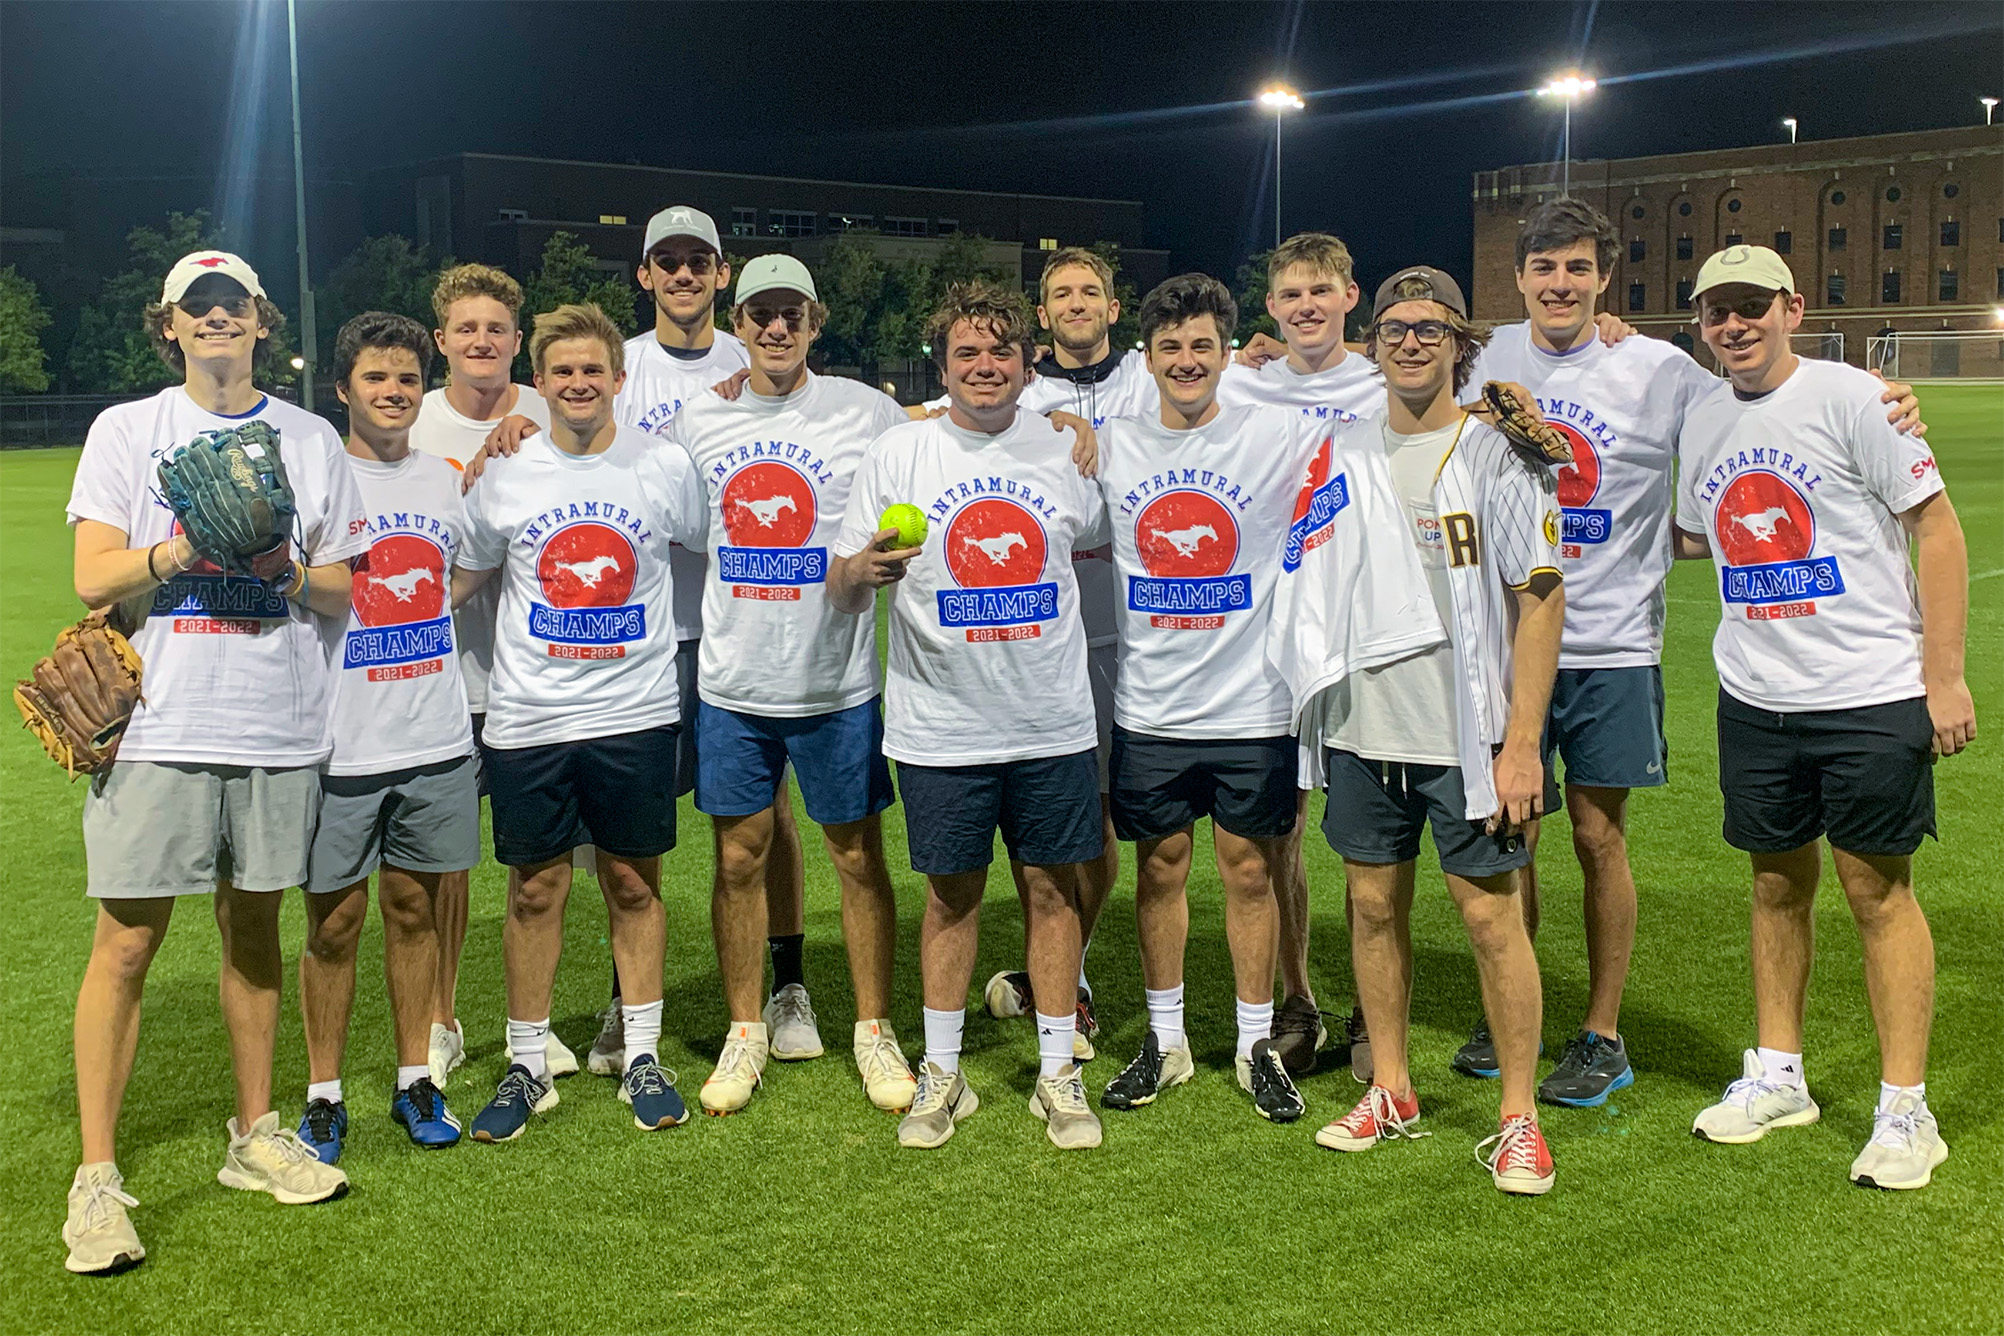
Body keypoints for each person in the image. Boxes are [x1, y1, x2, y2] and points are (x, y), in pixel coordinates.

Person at [1457, 201, 1929, 1105]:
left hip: (1614, 644)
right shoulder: (1486, 359)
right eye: (1544, 268)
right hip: (1503, 638)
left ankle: (1601, 1031)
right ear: (1517, 279)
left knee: (1599, 835)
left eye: (1579, 268)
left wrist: (1883, 402)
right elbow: (1384, 386)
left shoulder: (1663, 369)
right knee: (1506, 830)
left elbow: (1765, 413)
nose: (1561, 283)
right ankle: (1505, 1006)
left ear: (1605, 280)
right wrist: (1263, 361)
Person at [62, 250, 365, 1273]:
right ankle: (97, 1179)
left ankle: (253, 1133)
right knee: (128, 945)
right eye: (199, 310)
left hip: (275, 720)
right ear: (171, 327)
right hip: (159, 722)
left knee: (255, 933)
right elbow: (92, 573)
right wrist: (183, 551)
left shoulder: (311, 439)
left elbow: (343, 590)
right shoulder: (129, 430)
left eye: (233, 307)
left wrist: (282, 571)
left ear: (261, 322)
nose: (217, 321)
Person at [485, 206, 815, 1075]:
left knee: (762, 814)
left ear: (721, 272)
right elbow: (544, 426)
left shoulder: (761, 356)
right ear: (644, 274)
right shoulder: (611, 361)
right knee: (628, 843)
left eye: (697, 261)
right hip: (629, 645)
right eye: (665, 261)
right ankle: (627, 1012)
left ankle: (787, 985)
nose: (682, 274)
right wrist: (513, 422)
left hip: (731, 625)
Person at [1675, 245, 1971, 1191]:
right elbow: (1696, 534)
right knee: (1773, 885)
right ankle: (1779, 1076)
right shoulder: (1705, 414)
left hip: (1870, 691)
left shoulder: (1855, 396)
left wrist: (1945, 678)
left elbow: (1937, 526)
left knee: (1877, 892)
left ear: (1793, 308)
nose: (1735, 325)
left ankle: (1905, 1108)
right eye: (1718, 310)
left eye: (1752, 306)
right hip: (1756, 695)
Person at [1304, 266, 1566, 1197]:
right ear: (1371, 342)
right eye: (1393, 327)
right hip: (1364, 729)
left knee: (1491, 919)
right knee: (1372, 909)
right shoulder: (1338, 451)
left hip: (1473, 736)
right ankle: (1393, 1088)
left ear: (1461, 343)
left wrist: (1523, 741)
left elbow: (1539, 600)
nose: (1410, 342)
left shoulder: (1500, 455)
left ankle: (1519, 1117)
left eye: (1430, 328)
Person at [829, 281, 1103, 1151]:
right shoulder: (899, 452)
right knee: (951, 897)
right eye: (966, 355)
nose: (984, 368)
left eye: (1000, 353)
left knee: (1053, 890)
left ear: (1029, 364)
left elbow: (1091, 546)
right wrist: (862, 573)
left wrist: (1082, 431)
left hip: (1050, 717)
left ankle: (1056, 1072)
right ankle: (943, 1073)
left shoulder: (1066, 450)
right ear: (941, 366)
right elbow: (838, 577)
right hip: (941, 722)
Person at [663, 254, 916, 1115]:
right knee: (738, 858)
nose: (775, 328)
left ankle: (874, 1030)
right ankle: (745, 1031)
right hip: (733, 683)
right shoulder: (698, 419)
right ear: (737, 326)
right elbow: (616, 467)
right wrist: (513, 426)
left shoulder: (865, 409)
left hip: (836, 682)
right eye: (760, 314)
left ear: (815, 321)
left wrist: (1066, 424)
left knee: (857, 857)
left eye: (791, 314)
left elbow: (947, 423)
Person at [454, 303, 708, 1142]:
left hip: (634, 713)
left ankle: (641, 1053)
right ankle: (528, 1064)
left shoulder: (663, 466)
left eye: (592, 370)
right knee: (534, 890)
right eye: (561, 372)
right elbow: (459, 578)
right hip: (529, 717)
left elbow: (722, 555)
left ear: (618, 378)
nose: (577, 384)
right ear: (542, 381)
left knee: (633, 885)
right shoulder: (509, 472)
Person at [1091, 273, 1339, 1123]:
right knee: (1159, 872)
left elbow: (1379, 401)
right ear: (1148, 358)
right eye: (1171, 348)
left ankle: (1254, 1043)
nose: (1187, 361)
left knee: (1248, 872)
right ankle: (1166, 1042)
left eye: (1203, 345)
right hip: (1152, 708)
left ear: (1229, 352)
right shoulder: (1111, 442)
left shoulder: (1281, 432)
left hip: (1252, 707)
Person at [293, 313, 479, 1162]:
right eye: (375, 379)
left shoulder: (443, 479)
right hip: (341, 743)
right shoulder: (317, 483)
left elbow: (468, 567)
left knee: (414, 911)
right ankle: (324, 1096)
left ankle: (415, 1079)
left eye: (407, 379)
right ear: (343, 389)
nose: (394, 392)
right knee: (334, 924)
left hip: (435, 734)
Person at [978, 247, 1149, 1060]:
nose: (1077, 303)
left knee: (1108, 816)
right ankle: (1070, 982)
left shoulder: (1153, 375)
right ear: (1041, 316)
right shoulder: (1022, 391)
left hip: (1140, 631)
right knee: (1053, 821)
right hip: (1045, 632)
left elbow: (1289, 377)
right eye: (1060, 294)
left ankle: (1068, 967)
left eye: (1091, 291)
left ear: (1115, 307)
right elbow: (915, 413)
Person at [406, 262, 553, 1086]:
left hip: (540, 676)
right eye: (466, 328)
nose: (482, 340)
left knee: (541, 865)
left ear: (517, 341)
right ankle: (442, 1019)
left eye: (496, 328)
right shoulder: (412, 423)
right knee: (448, 863)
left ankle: (529, 1024)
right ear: (441, 342)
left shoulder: (554, 410)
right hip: (446, 677)